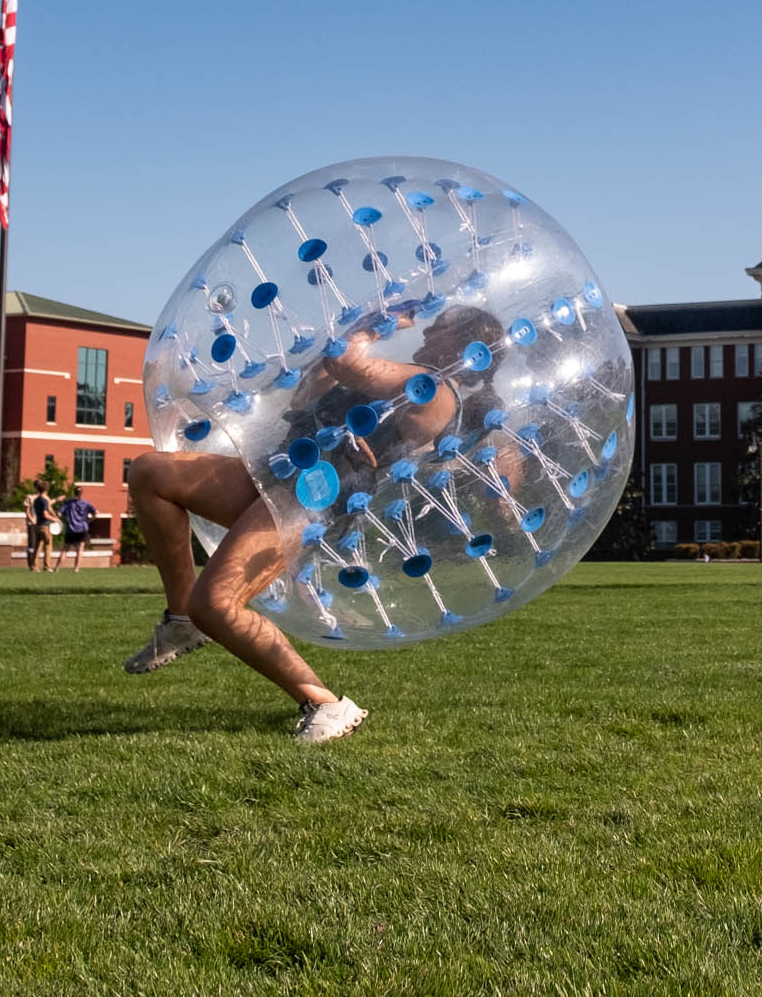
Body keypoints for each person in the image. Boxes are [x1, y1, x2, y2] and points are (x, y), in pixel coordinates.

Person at [124, 306, 503, 744]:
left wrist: (373, 326)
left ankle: (324, 702)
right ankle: (181, 616)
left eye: (441, 327)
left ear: (463, 346)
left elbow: (347, 362)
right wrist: (327, 366)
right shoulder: (402, 381)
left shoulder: (434, 389)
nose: (428, 329)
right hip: (282, 469)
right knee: (152, 473)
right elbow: (307, 398)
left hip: (314, 494)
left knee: (218, 603)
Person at [59, 490, 95, 572]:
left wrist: (64, 521)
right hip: (82, 528)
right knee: (80, 549)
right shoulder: (85, 503)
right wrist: (89, 520)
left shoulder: (68, 503)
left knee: (65, 549)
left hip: (70, 528)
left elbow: (59, 513)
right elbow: (96, 512)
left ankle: (57, 568)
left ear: (74, 492)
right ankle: (76, 568)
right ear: (81, 493)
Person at [26, 487, 53, 572]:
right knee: (48, 545)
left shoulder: (35, 500)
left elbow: (27, 510)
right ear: (45, 490)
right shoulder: (44, 500)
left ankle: (34, 566)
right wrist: (55, 519)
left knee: (37, 546)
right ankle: (47, 566)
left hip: (37, 525)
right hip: (44, 525)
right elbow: (45, 513)